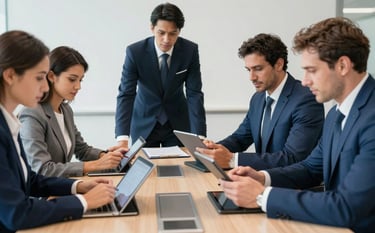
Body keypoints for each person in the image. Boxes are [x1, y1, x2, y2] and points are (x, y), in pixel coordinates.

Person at [219, 17, 375, 232]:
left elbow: (347, 207)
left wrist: (261, 196)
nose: (304, 81)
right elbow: (311, 168)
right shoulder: (336, 114)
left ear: (342, 65)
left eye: (312, 70)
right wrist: (262, 178)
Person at [0, 30, 117, 233]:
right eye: (39, 78)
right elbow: (16, 214)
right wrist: (84, 202)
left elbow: (31, 180)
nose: (46, 86)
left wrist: (78, 186)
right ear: (10, 75)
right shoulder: (21, 120)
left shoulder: (9, 123)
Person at [197, 33, 324, 170]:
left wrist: (232, 160)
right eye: (248, 70)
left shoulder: (306, 99)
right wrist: (212, 150)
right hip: (261, 180)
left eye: (258, 69)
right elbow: (240, 138)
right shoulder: (258, 98)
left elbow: (292, 157)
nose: (251, 77)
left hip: (293, 186)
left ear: (279, 64)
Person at [19, 46, 124, 177]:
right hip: (40, 194)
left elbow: (82, 150)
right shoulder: (32, 114)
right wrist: (95, 165)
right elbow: (42, 169)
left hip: (60, 186)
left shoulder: (65, 110)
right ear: (51, 76)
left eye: (80, 80)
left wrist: (109, 157)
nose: (78, 86)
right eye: (72, 79)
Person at [115, 2, 207, 148]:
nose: (166, 39)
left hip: (177, 125)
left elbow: (194, 94)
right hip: (144, 124)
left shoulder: (190, 51)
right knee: (144, 168)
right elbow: (126, 94)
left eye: (172, 33)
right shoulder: (135, 52)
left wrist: (200, 136)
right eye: (161, 32)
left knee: (178, 168)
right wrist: (122, 138)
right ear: (152, 28)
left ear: (179, 31)